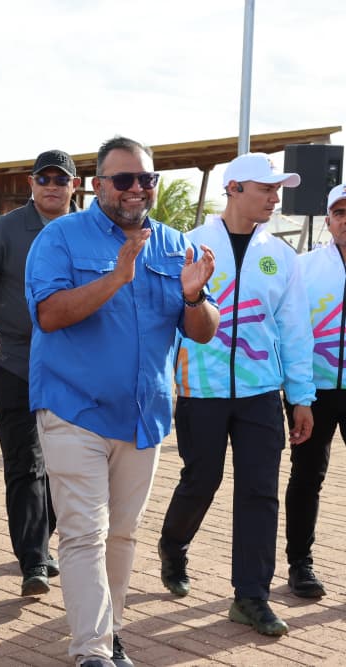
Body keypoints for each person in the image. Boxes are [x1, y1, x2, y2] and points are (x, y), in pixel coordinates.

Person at [25, 136, 218, 666]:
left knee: (123, 534)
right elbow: (49, 315)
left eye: (146, 179)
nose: (137, 188)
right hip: (73, 409)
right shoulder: (61, 237)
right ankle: (93, 650)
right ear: (98, 185)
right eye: (125, 179)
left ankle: (108, 634)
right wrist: (116, 278)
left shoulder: (175, 244)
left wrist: (194, 296)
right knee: (85, 532)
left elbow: (203, 331)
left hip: (143, 416)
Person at [159, 152, 315, 637]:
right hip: (201, 391)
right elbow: (167, 320)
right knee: (200, 481)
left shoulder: (282, 257)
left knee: (259, 493)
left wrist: (301, 397)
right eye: (266, 189)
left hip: (261, 393)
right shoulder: (188, 246)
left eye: (277, 190)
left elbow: (295, 330)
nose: (274, 198)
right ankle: (173, 544)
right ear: (233, 189)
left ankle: (251, 597)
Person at [0, 149, 80, 598]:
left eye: (61, 179)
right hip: (16, 361)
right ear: (31, 183)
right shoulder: (6, 230)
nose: (52, 186)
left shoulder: (89, 230)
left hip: (73, 366)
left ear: (74, 185)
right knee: (25, 460)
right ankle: (33, 558)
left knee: (66, 459)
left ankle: (43, 535)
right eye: (44, 179)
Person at [285, 183, 346, 600]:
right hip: (313, 391)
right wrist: (298, 395)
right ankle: (300, 564)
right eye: (339, 212)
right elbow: (290, 331)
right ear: (328, 220)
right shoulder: (303, 267)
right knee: (307, 476)